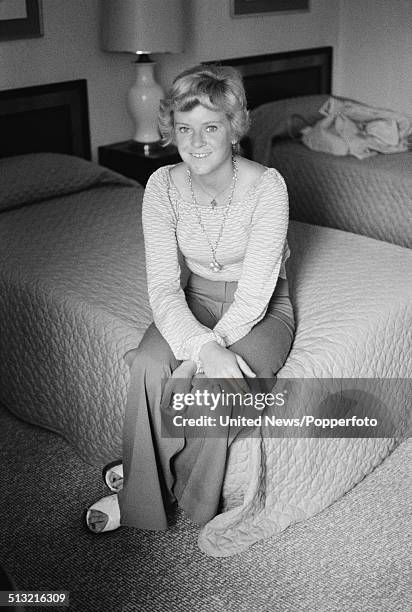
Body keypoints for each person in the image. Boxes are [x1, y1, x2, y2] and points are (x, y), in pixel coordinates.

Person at [86, 64, 295, 533]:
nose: (196, 143)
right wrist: (202, 348)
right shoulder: (161, 186)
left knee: (219, 390)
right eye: (185, 128)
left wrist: (202, 359)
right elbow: (162, 286)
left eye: (210, 128)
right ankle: (141, 494)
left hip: (261, 308)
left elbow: (258, 292)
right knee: (146, 363)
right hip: (194, 295)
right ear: (171, 131)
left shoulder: (268, 186)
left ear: (234, 129)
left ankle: (162, 488)